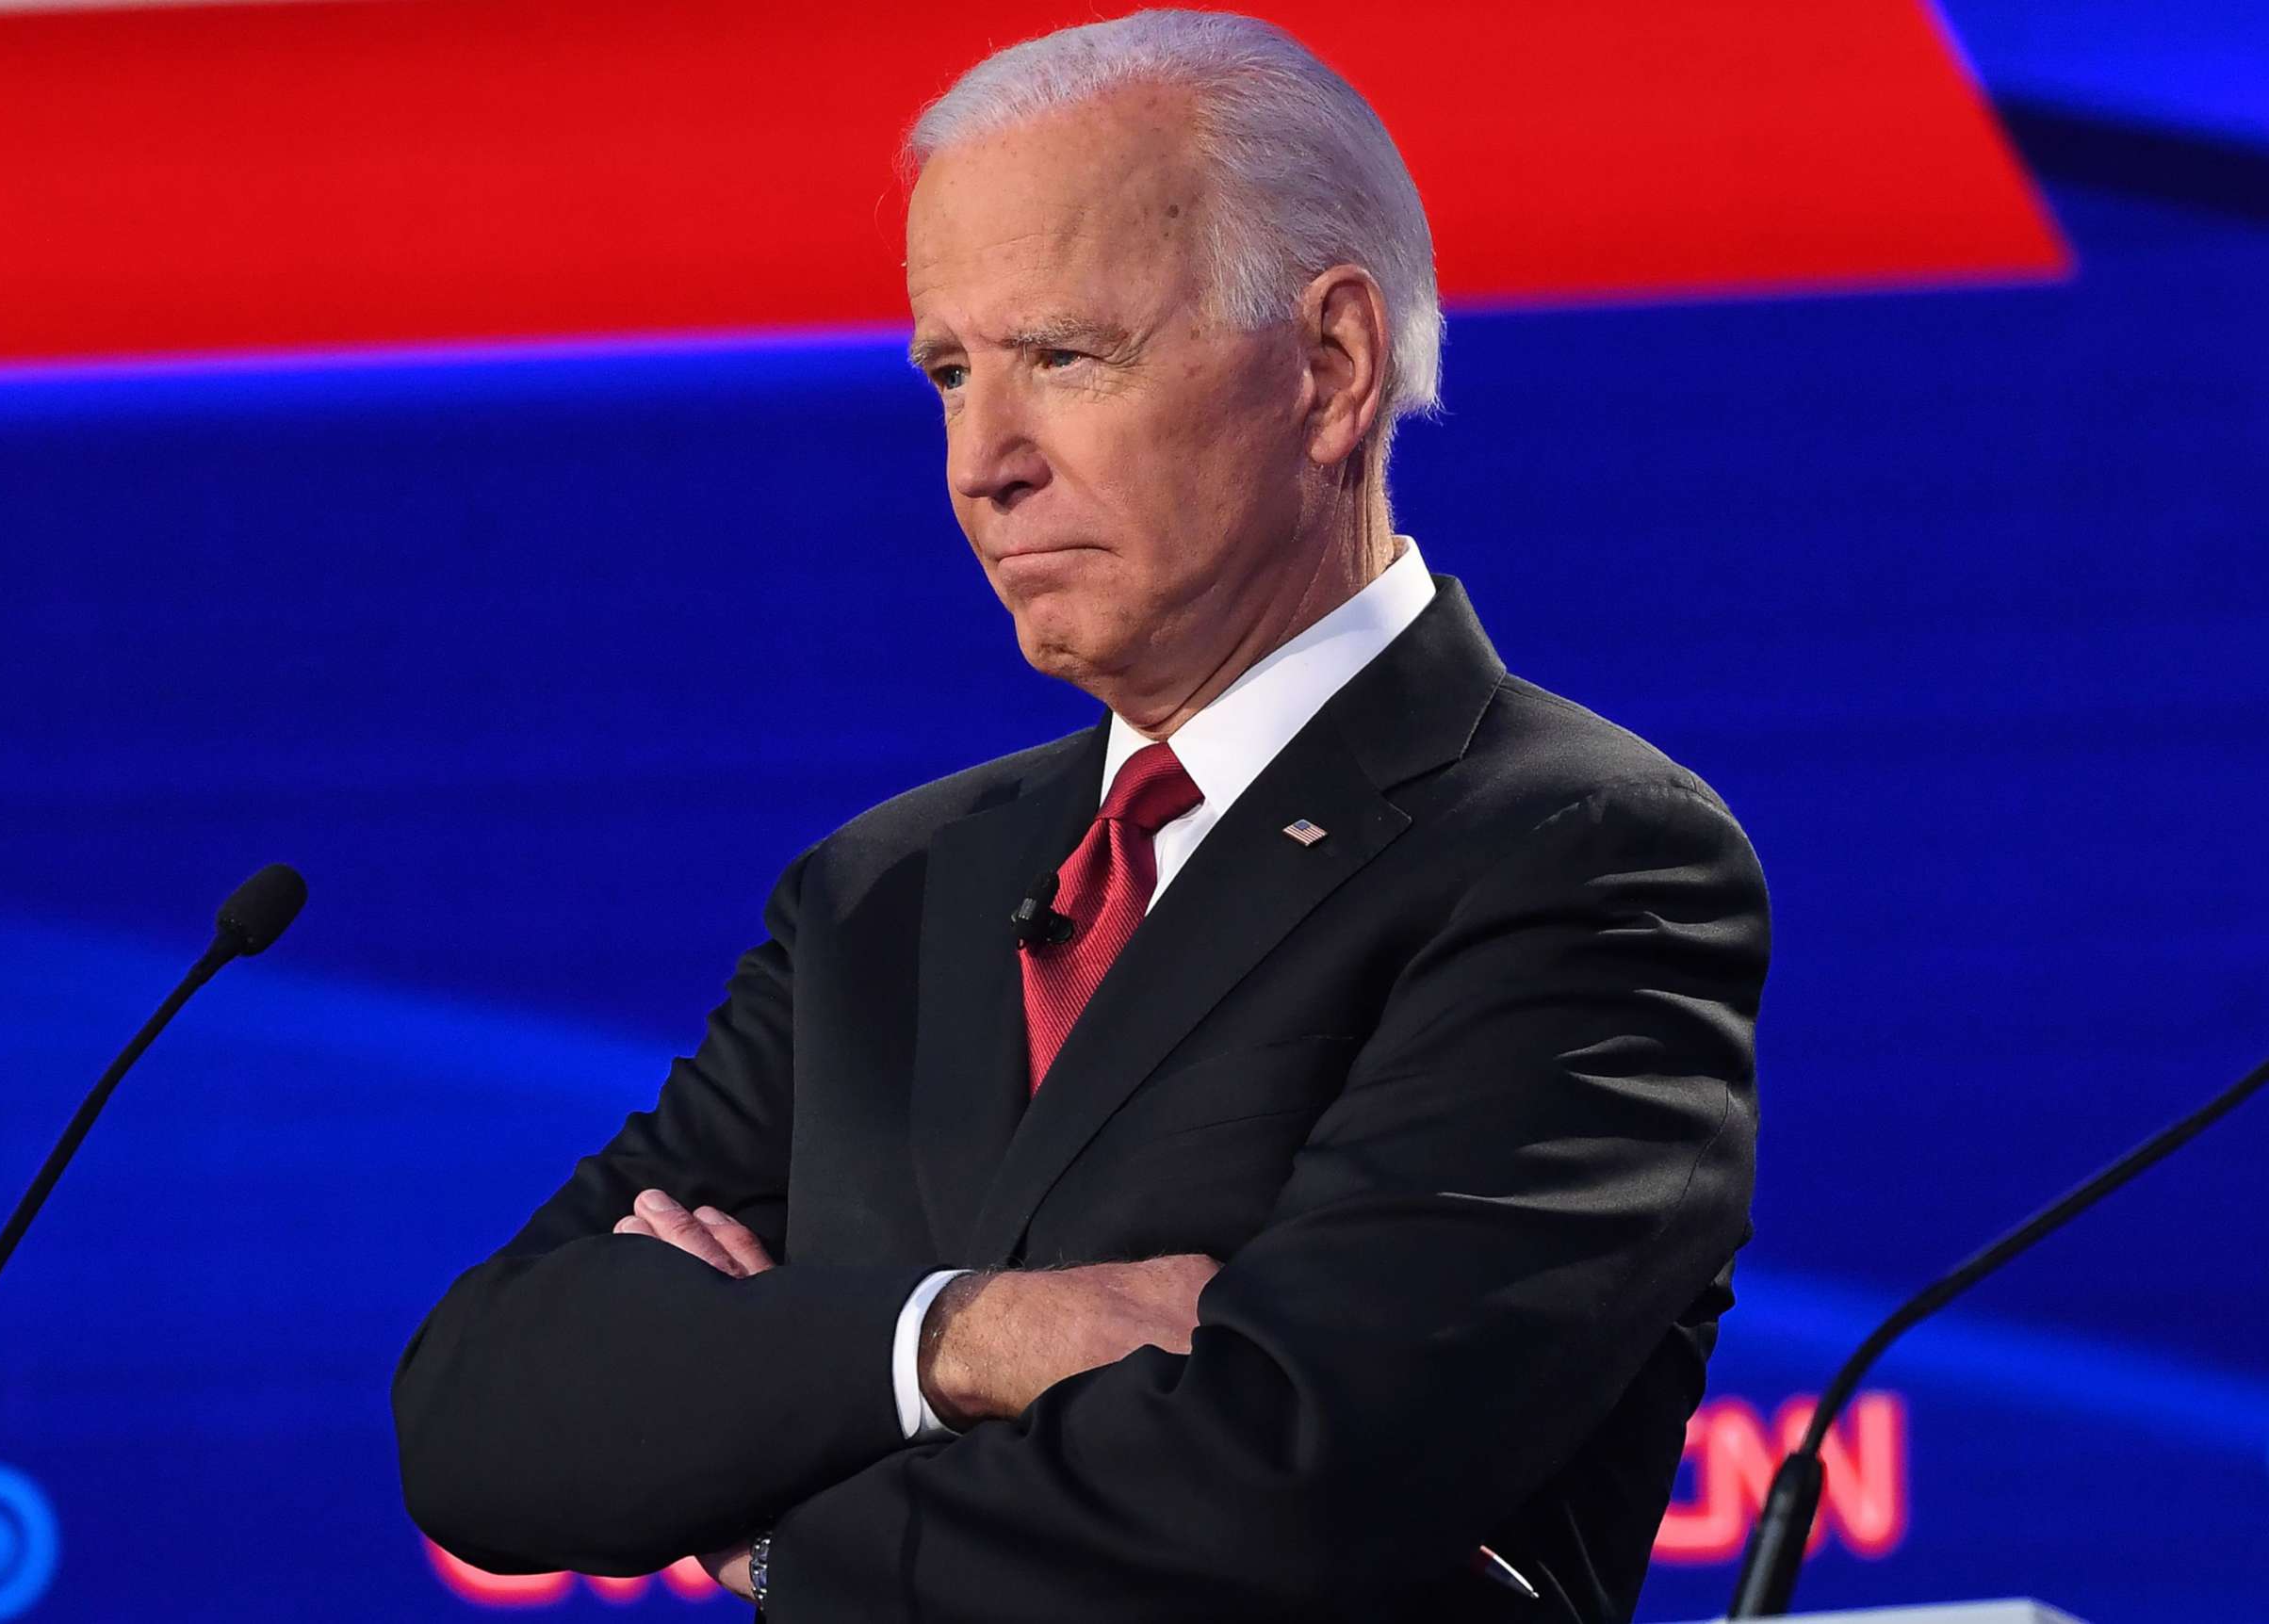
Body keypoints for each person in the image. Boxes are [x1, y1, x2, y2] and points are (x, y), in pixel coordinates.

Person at [392, 10, 1769, 1620]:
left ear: (1330, 370)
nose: (984, 461)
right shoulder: (884, 894)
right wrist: (960, 1338)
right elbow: (483, 1414)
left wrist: (775, 1527)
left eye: (1062, 356)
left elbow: (1281, 1488)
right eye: (949, 374)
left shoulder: (1581, 855)